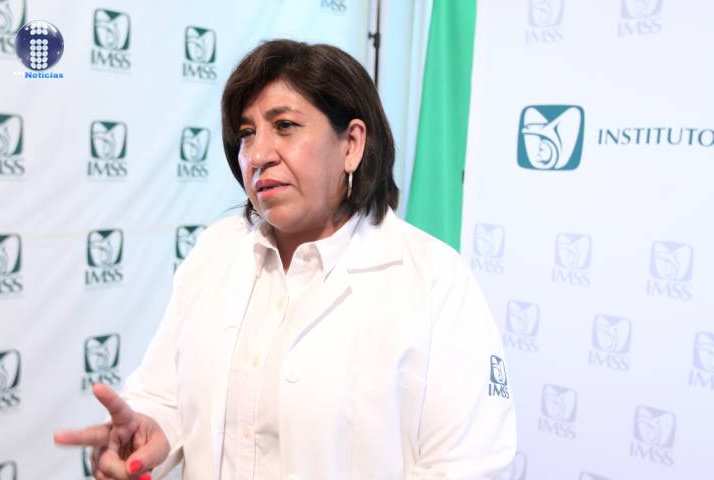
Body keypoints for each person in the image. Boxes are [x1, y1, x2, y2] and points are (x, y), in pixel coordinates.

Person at [55, 39, 516, 479]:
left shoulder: (433, 278)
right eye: (246, 134)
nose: (257, 155)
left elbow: (469, 465)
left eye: (285, 126)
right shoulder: (216, 251)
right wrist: (148, 430)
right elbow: (164, 394)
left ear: (352, 144)